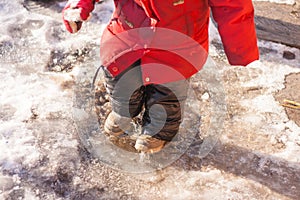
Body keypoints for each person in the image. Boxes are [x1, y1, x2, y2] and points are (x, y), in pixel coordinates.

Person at [62, 0, 259, 153]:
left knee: (167, 93)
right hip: (126, 35)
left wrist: (240, 49)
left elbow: (233, 7)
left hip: (177, 41)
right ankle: (124, 112)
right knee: (122, 81)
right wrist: (78, 6)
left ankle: (157, 130)